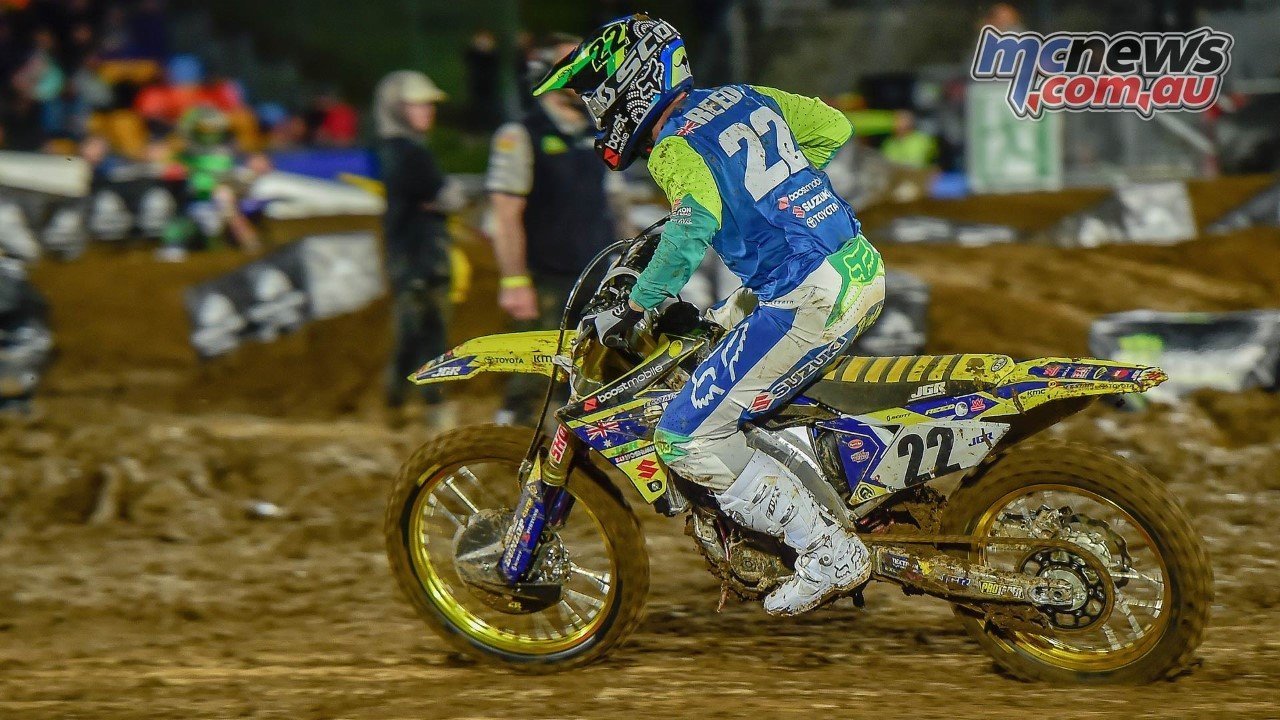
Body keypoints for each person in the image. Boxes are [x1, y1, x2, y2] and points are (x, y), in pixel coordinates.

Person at [533, 14, 885, 616]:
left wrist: (639, 306)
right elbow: (834, 126)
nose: (595, 111)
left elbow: (693, 226)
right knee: (715, 332)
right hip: (858, 264)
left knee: (684, 437)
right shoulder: (745, 97)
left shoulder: (673, 146)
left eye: (597, 94)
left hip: (809, 297)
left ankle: (827, 549)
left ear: (631, 84)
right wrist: (782, 193)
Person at [486, 34, 621, 426]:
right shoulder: (520, 135)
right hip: (545, 279)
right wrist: (514, 281)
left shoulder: (599, 131)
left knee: (588, 382)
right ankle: (505, 444)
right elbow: (505, 214)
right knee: (531, 380)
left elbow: (615, 202)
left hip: (595, 277)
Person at [374, 70, 461, 426]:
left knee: (426, 333)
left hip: (419, 255)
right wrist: (440, 198)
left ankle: (411, 402)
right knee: (420, 333)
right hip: (415, 256)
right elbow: (444, 195)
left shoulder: (403, 151)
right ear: (397, 108)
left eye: (429, 105)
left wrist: (439, 199)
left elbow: (440, 196)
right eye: (418, 105)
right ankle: (407, 402)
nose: (428, 111)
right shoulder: (406, 153)